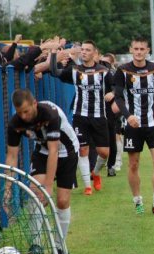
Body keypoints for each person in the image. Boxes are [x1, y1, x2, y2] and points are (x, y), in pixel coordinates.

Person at [5, 88, 79, 254]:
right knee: (35, 194)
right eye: (19, 112)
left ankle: (60, 247)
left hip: (66, 151)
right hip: (42, 151)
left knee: (62, 200)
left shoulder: (50, 115)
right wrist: (8, 187)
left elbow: (55, 151)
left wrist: (48, 187)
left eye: (26, 111)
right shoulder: (15, 124)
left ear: (34, 104)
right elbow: (11, 155)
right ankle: (36, 245)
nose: (23, 116)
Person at [114, 37, 154, 215]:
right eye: (136, 49)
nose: (139, 52)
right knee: (133, 164)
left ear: (148, 51)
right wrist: (128, 115)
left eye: (142, 49)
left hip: (153, 124)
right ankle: (138, 201)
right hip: (133, 125)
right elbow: (118, 97)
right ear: (131, 50)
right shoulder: (122, 71)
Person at [50, 40, 112, 195]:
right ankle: (87, 186)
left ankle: (96, 173)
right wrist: (52, 54)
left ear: (94, 53)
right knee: (83, 149)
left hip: (99, 116)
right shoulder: (74, 70)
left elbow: (116, 87)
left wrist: (115, 94)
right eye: (82, 49)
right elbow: (54, 72)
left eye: (87, 50)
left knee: (104, 153)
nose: (84, 52)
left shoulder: (104, 71)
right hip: (80, 116)